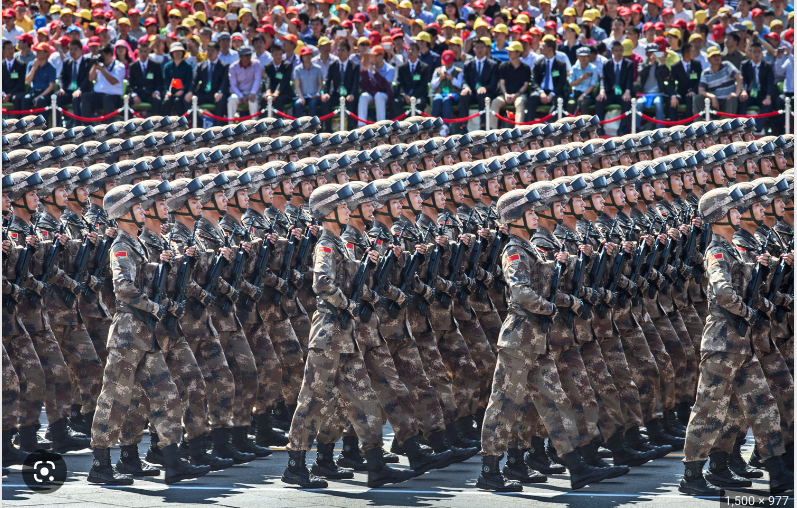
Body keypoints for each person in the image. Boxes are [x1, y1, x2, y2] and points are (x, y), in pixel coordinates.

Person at [87, 183, 211, 486]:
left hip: (146, 333)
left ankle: (172, 461)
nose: (144, 209)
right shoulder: (121, 245)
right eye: (137, 206)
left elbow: (146, 280)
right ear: (123, 213)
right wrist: (155, 307)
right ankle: (100, 465)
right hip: (129, 332)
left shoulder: (137, 245)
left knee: (166, 395)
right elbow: (124, 288)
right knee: (115, 397)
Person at [678, 183, 793, 497]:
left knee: (763, 404)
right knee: (708, 409)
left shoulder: (734, 249)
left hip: (742, 345)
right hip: (721, 344)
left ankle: (778, 471)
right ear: (719, 215)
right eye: (733, 210)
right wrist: (747, 312)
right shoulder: (716, 250)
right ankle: (691, 474)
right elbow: (723, 291)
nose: (739, 214)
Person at [459, 37, 498, 132]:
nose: (479, 50)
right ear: (474, 50)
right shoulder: (468, 64)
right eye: (477, 47)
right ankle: (463, 126)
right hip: (472, 92)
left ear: (486, 49)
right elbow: (464, 81)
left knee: (482, 95)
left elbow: (493, 83)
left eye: (482, 47)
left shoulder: (493, 64)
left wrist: (486, 88)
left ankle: (483, 125)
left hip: (486, 93)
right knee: (464, 95)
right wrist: (466, 87)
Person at [596, 41, 634, 135]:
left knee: (627, 101)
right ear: (612, 51)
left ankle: (623, 128)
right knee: (599, 100)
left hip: (623, 93)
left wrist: (627, 91)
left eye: (620, 50)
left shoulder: (629, 64)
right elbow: (603, 79)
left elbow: (630, 79)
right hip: (610, 93)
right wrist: (602, 91)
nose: (618, 53)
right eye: (616, 50)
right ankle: (599, 127)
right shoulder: (607, 64)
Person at [491, 40, 531, 125]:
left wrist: (516, 95)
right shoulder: (503, 66)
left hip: (520, 95)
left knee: (520, 102)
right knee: (495, 102)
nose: (509, 53)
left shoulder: (526, 68)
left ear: (518, 53)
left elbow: (526, 85)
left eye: (511, 51)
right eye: (509, 51)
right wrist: (505, 94)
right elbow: (501, 82)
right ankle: (492, 130)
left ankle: (518, 130)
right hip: (506, 95)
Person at [322, 40, 359, 130]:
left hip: (349, 94)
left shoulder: (354, 66)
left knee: (350, 103)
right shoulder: (333, 65)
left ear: (348, 52)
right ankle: (327, 128)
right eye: (338, 50)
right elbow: (327, 80)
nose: (340, 52)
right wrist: (326, 93)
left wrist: (352, 94)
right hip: (336, 94)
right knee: (326, 101)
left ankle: (350, 129)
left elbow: (356, 82)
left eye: (342, 50)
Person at [527, 38, 568, 120]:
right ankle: (529, 125)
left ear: (550, 49)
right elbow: (533, 80)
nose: (540, 48)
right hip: (540, 91)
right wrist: (541, 92)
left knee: (558, 101)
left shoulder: (560, 65)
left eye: (543, 46)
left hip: (554, 92)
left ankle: (550, 126)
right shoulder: (538, 63)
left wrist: (551, 94)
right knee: (532, 97)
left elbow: (561, 82)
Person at [695, 46, 743, 116]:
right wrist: (712, 96)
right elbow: (701, 90)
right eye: (713, 56)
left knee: (733, 99)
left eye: (718, 55)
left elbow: (739, 77)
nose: (717, 57)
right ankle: (698, 124)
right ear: (708, 59)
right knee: (698, 98)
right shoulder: (705, 73)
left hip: (728, 99)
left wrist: (736, 93)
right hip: (715, 102)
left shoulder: (727, 65)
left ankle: (729, 125)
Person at [739, 42, 775, 133]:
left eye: (759, 52)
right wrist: (743, 91)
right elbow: (743, 80)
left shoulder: (767, 66)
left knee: (768, 104)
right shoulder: (744, 65)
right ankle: (741, 126)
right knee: (742, 100)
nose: (756, 54)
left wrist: (768, 97)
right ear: (750, 53)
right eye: (754, 52)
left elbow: (770, 83)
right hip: (749, 92)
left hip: (762, 94)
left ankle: (757, 127)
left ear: (762, 54)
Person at [81, 43, 125, 118]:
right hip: (99, 95)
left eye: (103, 56)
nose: (102, 58)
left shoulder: (119, 66)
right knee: (86, 96)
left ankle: (110, 125)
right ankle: (85, 124)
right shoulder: (99, 65)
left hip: (113, 97)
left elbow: (113, 81)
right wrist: (94, 66)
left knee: (107, 99)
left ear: (109, 54)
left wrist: (102, 69)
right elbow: (91, 79)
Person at [193, 41, 229, 126]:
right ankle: (197, 126)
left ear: (218, 52)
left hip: (216, 93)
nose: (210, 53)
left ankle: (217, 127)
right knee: (189, 100)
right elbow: (194, 81)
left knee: (221, 100)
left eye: (212, 50)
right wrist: (190, 92)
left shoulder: (224, 66)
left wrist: (220, 92)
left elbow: (225, 81)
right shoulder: (200, 66)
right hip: (204, 93)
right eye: (208, 50)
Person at [358, 46, 395, 125]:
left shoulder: (390, 69)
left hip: (385, 95)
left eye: (375, 55)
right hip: (373, 94)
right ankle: (361, 126)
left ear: (381, 55)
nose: (373, 58)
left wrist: (374, 72)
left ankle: (380, 126)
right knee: (363, 96)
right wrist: (364, 70)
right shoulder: (370, 68)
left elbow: (384, 86)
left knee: (379, 96)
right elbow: (365, 87)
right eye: (371, 56)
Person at [393, 42, 429, 119]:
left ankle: (416, 125)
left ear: (418, 52)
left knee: (420, 103)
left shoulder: (424, 67)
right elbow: (400, 83)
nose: (410, 52)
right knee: (395, 102)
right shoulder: (402, 67)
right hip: (405, 95)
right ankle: (401, 125)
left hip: (418, 95)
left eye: (413, 50)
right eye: (409, 49)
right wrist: (405, 95)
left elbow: (423, 85)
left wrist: (414, 97)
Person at [127, 37, 163, 115]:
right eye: (141, 51)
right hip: (138, 93)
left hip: (151, 93)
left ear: (148, 52)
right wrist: (134, 95)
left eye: (145, 51)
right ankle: (129, 124)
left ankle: (155, 123)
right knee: (127, 101)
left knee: (157, 100)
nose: (143, 54)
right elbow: (130, 84)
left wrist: (156, 92)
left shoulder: (155, 65)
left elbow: (159, 82)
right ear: (138, 52)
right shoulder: (133, 66)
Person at [668, 42, 702, 119]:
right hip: (681, 92)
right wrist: (673, 96)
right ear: (686, 54)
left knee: (690, 99)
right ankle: (673, 126)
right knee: (673, 102)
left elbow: (699, 80)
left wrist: (693, 91)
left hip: (692, 93)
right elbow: (671, 82)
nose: (694, 53)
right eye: (692, 51)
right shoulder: (676, 66)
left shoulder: (697, 64)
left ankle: (689, 125)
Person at [227, 45, 261, 120]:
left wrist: (253, 93)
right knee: (232, 99)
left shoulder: (256, 64)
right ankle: (230, 124)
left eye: (250, 55)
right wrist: (241, 96)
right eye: (246, 55)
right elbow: (233, 85)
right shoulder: (233, 67)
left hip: (252, 93)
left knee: (253, 101)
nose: (248, 57)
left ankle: (255, 126)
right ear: (240, 57)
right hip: (239, 93)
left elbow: (257, 80)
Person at [637, 46, 671, 122]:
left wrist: (663, 65)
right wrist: (649, 65)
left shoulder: (659, 65)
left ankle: (660, 127)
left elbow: (666, 75)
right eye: (650, 53)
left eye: (654, 53)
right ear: (646, 54)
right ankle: (636, 127)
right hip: (644, 94)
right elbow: (640, 73)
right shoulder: (642, 64)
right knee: (639, 103)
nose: (652, 55)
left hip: (658, 94)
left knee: (658, 102)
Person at [430, 49, 462, 127]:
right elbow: (432, 85)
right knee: (437, 99)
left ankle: (446, 126)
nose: (447, 64)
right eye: (446, 62)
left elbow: (460, 85)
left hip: (453, 95)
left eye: (449, 62)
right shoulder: (438, 71)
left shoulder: (458, 71)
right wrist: (439, 79)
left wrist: (452, 79)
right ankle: (433, 125)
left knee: (446, 100)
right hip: (440, 94)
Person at [21, 41, 56, 112]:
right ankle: (25, 122)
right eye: (37, 51)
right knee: (26, 99)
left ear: (46, 53)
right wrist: (34, 68)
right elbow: (27, 81)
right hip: (33, 92)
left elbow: (51, 86)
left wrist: (39, 97)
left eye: (40, 51)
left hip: (45, 93)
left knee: (41, 101)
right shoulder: (31, 64)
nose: (37, 52)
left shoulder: (51, 68)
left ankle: (43, 123)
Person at [163, 42, 194, 116]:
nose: (177, 53)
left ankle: (182, 122)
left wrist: (182, 91)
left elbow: (189, 81)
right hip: (171, 93)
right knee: (167, 101)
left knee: (178, 101)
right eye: (175, 52)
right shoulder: (167, 66)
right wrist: (167, 91)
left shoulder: (188, 66)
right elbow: (166, 81)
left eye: (179, 51)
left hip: (183, 93)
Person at [293, 45, 324, 118]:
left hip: (314, 96)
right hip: (302, 96)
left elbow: (320, 84)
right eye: (305, 55)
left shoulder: (318, 68)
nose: (308, 57)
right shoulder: (297, 69)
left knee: (312, 104)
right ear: (302, 57)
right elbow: (297, 85)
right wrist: (301, 97)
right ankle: (299, 127)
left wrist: (317, 93)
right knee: (297, 104)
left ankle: (312, 127)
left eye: (309, 55)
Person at [567, 46, 598, 114]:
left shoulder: (593, 68)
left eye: (585, 56)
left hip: (587, 94)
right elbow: (571, 83)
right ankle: (569, 123)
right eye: (581, 56)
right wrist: (581, 78)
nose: (583, 58)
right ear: (577, 57)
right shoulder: (574, 68)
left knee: (584, 104)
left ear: (589, 57)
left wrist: (583, 95)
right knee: (571, 104)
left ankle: (585, 124)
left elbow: (593, 85)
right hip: (575, 93)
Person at [2, 38, 26, 111]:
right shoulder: (1, 66)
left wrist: (10, 94)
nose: (10, 51)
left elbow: (20, 83)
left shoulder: (21, 65)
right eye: (8, 49)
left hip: (16, 92)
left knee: (16, 98)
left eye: (12, 48)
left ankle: (18, 120)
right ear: (3, 51)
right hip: (4, 92)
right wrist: (3, 94)